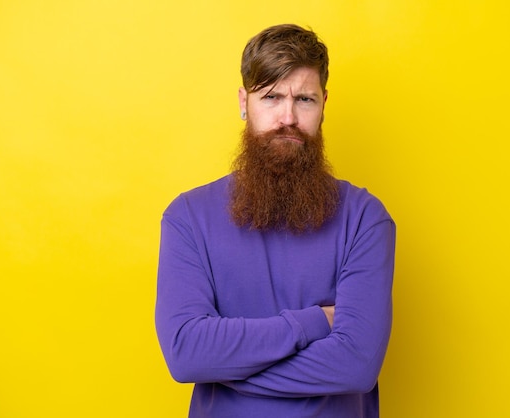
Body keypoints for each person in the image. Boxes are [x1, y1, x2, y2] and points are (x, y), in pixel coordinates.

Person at [155, 23, 396, 418]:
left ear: (324, 104)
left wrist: (226, 366)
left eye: (304, 98)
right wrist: (315, 321)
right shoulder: (187, 217)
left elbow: (356, 366)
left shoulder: (365, 218)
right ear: (243, 102)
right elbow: (186, 354)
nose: (288, 117)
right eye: (271, 97)